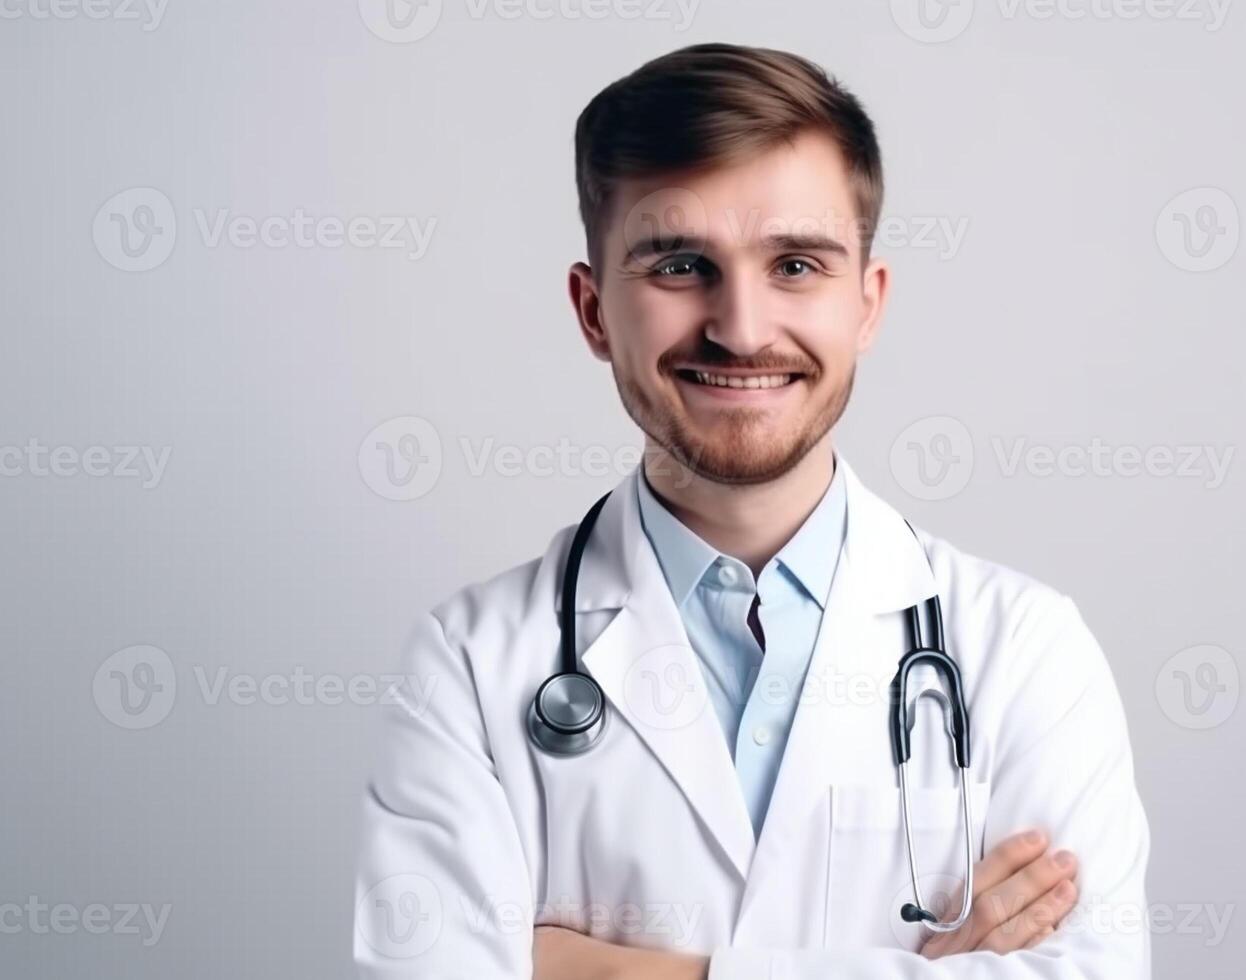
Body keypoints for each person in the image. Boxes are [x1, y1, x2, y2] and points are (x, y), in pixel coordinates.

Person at [354, 42, 1150, 979]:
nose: (739, 328)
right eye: (681, 265)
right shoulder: (469, 667)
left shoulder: (1024, 654)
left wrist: (608, 968)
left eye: (797, 265)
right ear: (593, 311)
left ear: (867, 303)